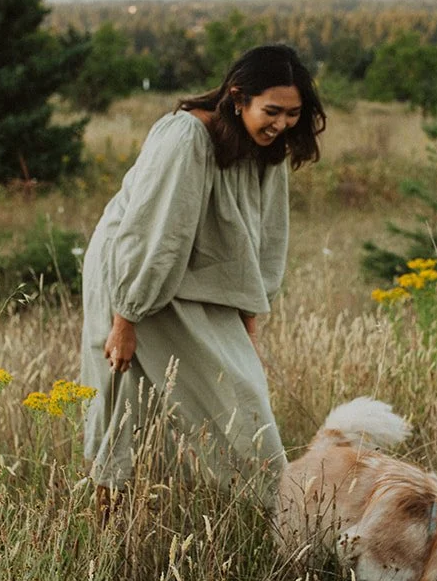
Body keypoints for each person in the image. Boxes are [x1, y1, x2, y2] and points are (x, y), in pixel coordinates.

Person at [79, 43, 324, 517]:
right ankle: (108, 524)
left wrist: (250, 319)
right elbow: (156, 232)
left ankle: (284, 520)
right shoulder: (186, 138)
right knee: (127, 401)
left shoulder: (266, 145)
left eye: (294, 114)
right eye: (272, 111)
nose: (282, 124)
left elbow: (264, 234)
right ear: (237, 97)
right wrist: (125, 319)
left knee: (243, 393)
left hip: (197, 279)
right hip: (138, 273)